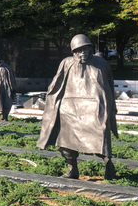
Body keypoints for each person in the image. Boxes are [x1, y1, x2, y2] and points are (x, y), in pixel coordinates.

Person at [37, 34, 117, 180]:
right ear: (73, 52)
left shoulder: (102, 64)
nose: (83, 53)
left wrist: (111, 108)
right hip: (70, 109)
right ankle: (72, 169)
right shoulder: (67, 63)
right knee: (65, 141)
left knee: (100, 138)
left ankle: (108, 164)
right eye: (79, 50)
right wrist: (49, 102)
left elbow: (109, 86)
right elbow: (56, 84)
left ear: (90, 49)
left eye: (86, 49)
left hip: (95, 108)